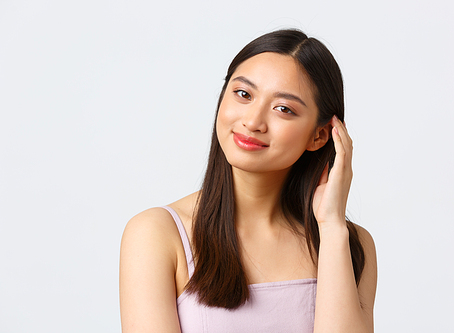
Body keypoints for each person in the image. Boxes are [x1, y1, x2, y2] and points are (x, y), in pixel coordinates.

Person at [119, 29, 377, 333]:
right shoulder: (157, 235)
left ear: (319, 136)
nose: (253, 122)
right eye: (243, 94)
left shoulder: (350, 244)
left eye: (284, 109)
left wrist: (332, 228)